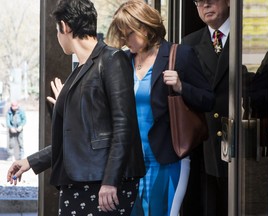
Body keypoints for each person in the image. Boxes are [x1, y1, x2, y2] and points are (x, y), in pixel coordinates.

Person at [7, 0, 146, 215]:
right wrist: (30, 161)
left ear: (65, 26)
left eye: (57, 30)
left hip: (103, 184)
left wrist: (110, 181)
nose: (58, 36)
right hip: (80, 181)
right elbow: (76, 139)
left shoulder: (112, 59)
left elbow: (124, 125)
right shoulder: (78, 71)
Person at [105, 1, 215, 215]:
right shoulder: (123, 61)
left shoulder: (179, 55)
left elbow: (208, 100)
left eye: (128, 34)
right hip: (129, 160)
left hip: (167, 158)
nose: (124, 41)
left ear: (145, 28)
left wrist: (182, 86)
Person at [181, 0, 230, 215]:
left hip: (242, 138)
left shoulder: (247, 37)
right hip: (205, 141)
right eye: (199, 1)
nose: (205, 5)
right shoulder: (188, 44)